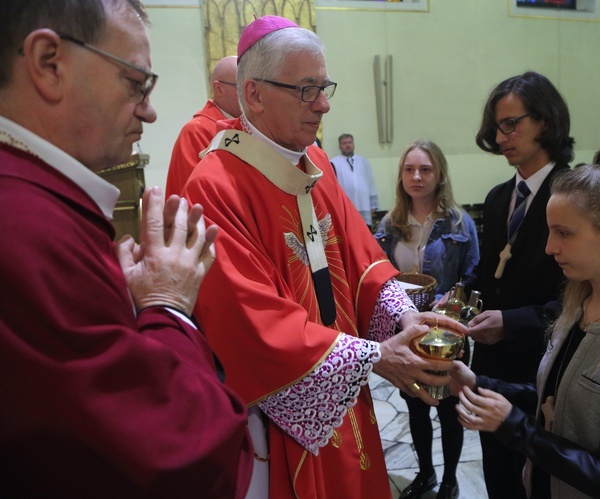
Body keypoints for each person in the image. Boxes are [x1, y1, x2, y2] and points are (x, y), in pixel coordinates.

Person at [181, 16, 458, 499]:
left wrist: (403, 316)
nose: (324, 104)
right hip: (283, 409)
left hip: (344, 391)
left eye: (324, 87)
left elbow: (362, 260)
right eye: (307, 90)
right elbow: (250, 318)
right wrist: (371, 357)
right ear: (256, 93)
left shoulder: (316, 164)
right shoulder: (215, 184)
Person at [0, 0, 255, 497]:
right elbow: (182, 456)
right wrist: (168, 306)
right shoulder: (27, 230)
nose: (150, 110)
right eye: (136, 83)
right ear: (49, 62)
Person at [450, 148, 600, 498]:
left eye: (564, 233)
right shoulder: (580, 305)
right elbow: (560, 398)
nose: (550, 247)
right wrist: (480, 383)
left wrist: (514, 426)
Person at [469, 71, 572, 499]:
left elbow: (579, 300)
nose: (502, 136)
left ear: (545, 121)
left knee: (537, 480)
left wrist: (511, 323)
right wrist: (456, 297)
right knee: (498, 474)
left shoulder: (573, 193)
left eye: (512, 123)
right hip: (490, 362)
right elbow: (490, 273)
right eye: (497, 126)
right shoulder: (498, 197)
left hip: (541, 365)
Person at [374, 139, 479, 499]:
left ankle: (449, 479)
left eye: (425, 169)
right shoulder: (390, 224)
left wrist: (455, 295)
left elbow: (474, 275)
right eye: (409, 169)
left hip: (447, 332)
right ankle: (425, 474)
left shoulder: (460, 223)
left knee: (450, 410)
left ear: (439, 174)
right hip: (409, 332)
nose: (416, 176)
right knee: (416, 408)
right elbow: (376, 274)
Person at [165, 55, 241, 197]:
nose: (249, 94)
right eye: (241, 86)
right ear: (218, 89)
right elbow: (195, 194)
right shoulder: (196, 131)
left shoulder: (248, 128)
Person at [330, 133, 380, 227]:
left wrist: (373, 204)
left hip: (363, 205)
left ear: (353, 144)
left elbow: (371, 182)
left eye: (349, 142)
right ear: (339, 146)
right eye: (344, 143)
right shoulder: (333, 163)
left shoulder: (364, 161)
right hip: (345, 208)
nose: (347, 145)